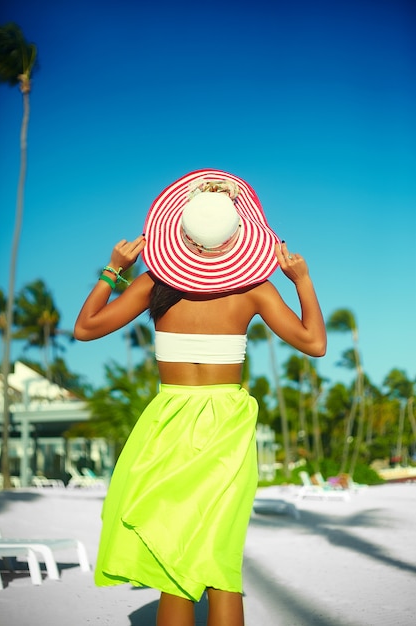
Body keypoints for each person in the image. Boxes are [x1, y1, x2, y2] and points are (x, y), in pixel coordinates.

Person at [74, 168, 326, 626]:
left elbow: (85, 328)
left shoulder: (154, 284)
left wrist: (113, 269)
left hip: (168, 420)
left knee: (175, 563)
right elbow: (314, 343)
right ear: (237, 237)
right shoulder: (254, 290)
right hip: (227, 424)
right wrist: (301, 279)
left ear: (180, 234)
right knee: (219, 559)